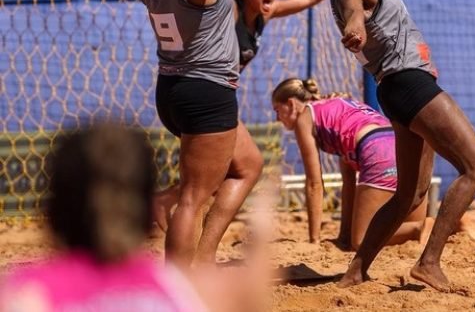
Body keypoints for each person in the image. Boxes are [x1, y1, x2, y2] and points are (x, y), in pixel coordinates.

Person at [58, 0, 278, 268]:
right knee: (193, 198)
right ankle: (177, 285)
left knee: (247, 166)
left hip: (173, 89)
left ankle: (203, 260)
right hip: (206, 90)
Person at [276, 0, 475, 292]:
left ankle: (356, 272)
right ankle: (428, 262)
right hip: (409, 85)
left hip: (397, 89)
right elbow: (353, 14)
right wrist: (354, 30)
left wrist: (358, 28)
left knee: (411, 193)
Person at [0, 123, 276, 312]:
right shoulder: (184, 291)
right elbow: (250, 289)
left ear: (52, 214)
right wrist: (262, 232)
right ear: (148, 211)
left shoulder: (25, 295)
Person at [152, 0, 334, 231]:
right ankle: (178, 215)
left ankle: (167, 202)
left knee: (230, 170)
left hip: (212, 99)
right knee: (244, 168)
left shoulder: (263, 15)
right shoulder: (229, 14)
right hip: (201, 96)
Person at [273, 77, 475, 250]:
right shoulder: (339, 105)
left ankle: (422, 227)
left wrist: (314, 240)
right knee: (404, 228)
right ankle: (453, 225)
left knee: (362, 240)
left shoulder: (305, 118)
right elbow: (348, 181)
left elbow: (314, 184)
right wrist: (343, 236)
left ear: (290, 104)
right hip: (402, 143)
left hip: (375, 148)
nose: (277, 118)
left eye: (277, 110)